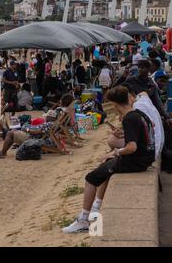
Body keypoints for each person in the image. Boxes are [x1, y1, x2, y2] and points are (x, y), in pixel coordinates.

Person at [62, 86, 155, 233]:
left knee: (90, 178)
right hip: (147, 158)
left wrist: (117, 152)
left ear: (115, 105)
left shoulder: (128, 118)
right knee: (105, 166)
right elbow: (149, 129)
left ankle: (84, 220)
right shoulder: (139, 114)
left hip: (135, 162)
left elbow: (132, 147)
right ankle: (96, 209)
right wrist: (124, 134)